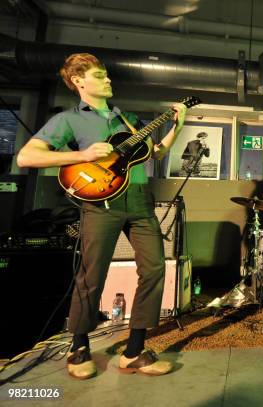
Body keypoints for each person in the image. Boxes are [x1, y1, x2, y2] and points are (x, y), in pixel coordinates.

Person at [16, 53, 187, 379]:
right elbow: (27, 157)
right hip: (101, 204)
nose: (108, 79)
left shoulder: (129, 120)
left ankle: (134, 351)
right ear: (79, 81)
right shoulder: (70, 119)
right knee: (91, 275)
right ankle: (78, 346)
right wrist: (83, 154)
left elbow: (156, 153)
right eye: (99, 75)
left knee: (154, 269)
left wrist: (177, 126)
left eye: (107, 74)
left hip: (138, 202)